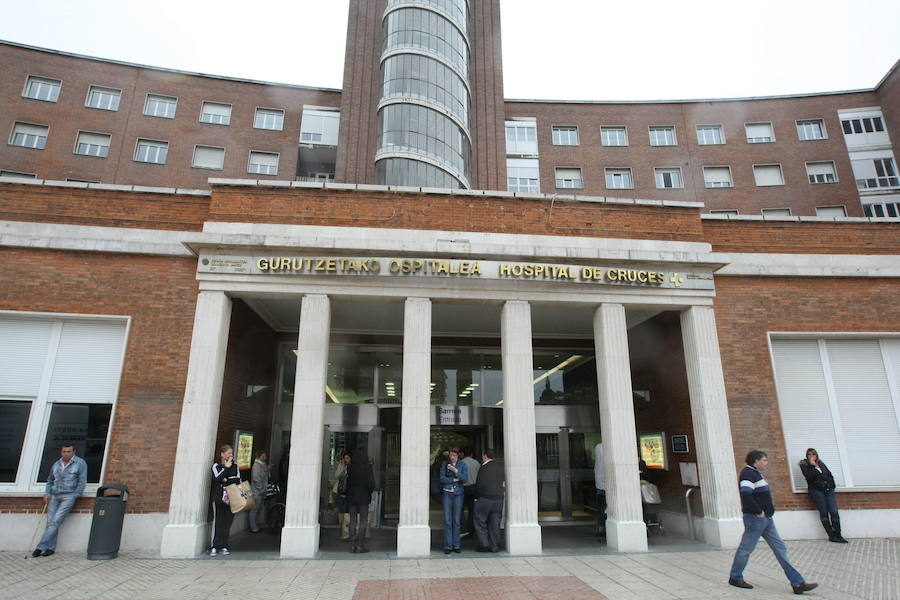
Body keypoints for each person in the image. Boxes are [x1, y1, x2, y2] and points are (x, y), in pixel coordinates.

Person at [728, 450, 818, 594]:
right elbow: (746, 494)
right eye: (764, 460)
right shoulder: (748, 474)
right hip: (755, 519)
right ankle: (735, 577)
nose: (766, 463)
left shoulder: (756, 473)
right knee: (746, 549)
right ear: (756, 461)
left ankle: (797, 583)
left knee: (780, 548)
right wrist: (758, 512)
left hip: (766, 520)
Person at [32, 443, 87, 557]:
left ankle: (40, 547)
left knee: (56, 521)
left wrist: (75, 494)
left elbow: (82, 481)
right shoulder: (56, 464)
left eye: (68, 452)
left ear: (74, 452)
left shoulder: (80, 463)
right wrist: (47, 493)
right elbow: (50, 480)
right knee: (50, 522)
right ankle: (50, 548)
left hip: (68, 495)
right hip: (54, 495)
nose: (66, 454)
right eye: (64, 452)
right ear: (61, 452)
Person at [799, 448, 847, 543]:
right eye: (809, 454)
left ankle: (838, 535)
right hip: (817, 491)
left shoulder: (821, 463)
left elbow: (829, 475)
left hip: (829, 490)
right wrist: (813, 467)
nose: (812, 456)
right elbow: (809, 477)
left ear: (817, 455)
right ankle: (831, 536)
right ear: (807, 456)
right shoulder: (804, 465)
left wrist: (832, 486)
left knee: (834, 511)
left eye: (814, 454)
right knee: (824, 512)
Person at [210, 444, 241, 556]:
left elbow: (236, 479)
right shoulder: (216, 466)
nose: (230, 455)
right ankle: (215, 546)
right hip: (219, 498)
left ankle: (224, 545)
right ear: (222, 454)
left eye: (231, 453)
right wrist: (226, 468)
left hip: (231, 498)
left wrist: (226, 479)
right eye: (228, 453)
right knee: (218, 522)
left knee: (227, 522)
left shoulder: (235, 466)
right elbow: (217, 479)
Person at [473, 448, 505, 553]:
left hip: (485, 498)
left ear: (485, 456)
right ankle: (495, 545)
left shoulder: (483, 468)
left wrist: (476, 497)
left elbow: (479, 485)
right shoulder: (500, 467)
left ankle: (484, 544)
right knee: (495, 522)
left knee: (480, 521)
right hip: (499, 499)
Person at [439, 446, 469, 554]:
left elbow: (465, 479)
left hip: (458, 495)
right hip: (447, 493)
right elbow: (441, 478)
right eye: (451, 455)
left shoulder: (463, 465)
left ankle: (456, 545)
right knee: (447, 520)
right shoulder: (444, 464)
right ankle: (448, 546)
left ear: (458, 455)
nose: (452, 457)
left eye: (454, 455)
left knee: (456, 520)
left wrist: (456, 471)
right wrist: (453, 479)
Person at [345, 450, 375, 553]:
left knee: (352, 521)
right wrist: (368, 491)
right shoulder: (367, 467)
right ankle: (360, 545)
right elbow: (371, 484)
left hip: (352, 496)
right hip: (363, 496)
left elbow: (348, 482)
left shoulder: (350, 467)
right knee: (363, 521)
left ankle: (352, 545)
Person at [460, 447, 481, 538]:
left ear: (463, 454)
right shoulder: (476, 463)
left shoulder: (461, 463)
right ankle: (471, 530)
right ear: (472, 454)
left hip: (463, 487)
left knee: (460, 510)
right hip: (473, 488)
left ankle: (463, 529)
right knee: (472, 510)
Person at [248, 451, 268, 533]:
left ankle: (256, 525)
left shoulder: (262, 465)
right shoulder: (256, 466)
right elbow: (256, 479)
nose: (265, 458)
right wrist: (261, 488)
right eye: (263, 456)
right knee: (254, 510)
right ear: (259, 456)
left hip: (260, 491)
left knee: (258, 509)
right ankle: (253, 527)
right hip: (257, 492)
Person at [332, 452, 351, 540]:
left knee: (346, 510)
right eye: (345, 458)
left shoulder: (351, 467)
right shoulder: (341, 466)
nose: (346, 460)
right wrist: (341, 467)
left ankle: (345, 531)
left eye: (347, 458)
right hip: (340, 491)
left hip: (348, 492)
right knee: (341, 510)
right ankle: (342, 529)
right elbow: (336, 476)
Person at [594, 441, 606, 537]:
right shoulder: (607, 447)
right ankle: (602, 527)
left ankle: (600, 527)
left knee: (601, 506)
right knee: (606, 507)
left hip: (599, 482)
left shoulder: (598, 447)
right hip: (607, 483)